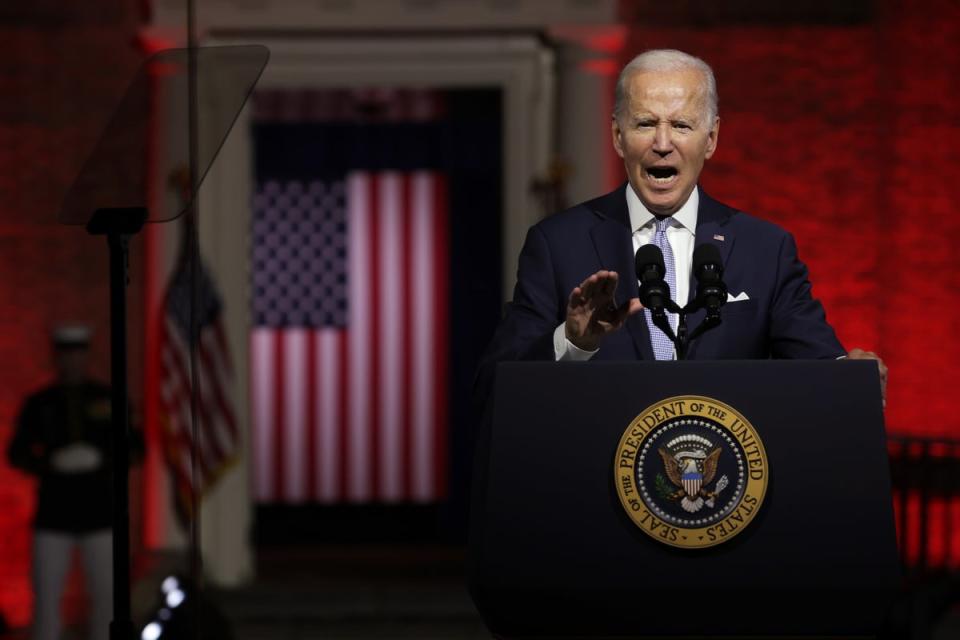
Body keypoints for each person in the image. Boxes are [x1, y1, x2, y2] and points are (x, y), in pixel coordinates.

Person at [479, 49, 886, 391]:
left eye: (681, 125)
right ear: (618, 137)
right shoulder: (557, 243)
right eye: (644, 124)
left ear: (710, 140)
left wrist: (852, 374)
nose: (662, 143)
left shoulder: (766, 249)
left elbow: (820, 364)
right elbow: (497, 381)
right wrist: (572, 342)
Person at [7, 325, 143, 640]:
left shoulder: (108, 399)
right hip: (54, 515)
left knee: (108, 599)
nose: (72, 361)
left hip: (100, 513)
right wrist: (48, 463)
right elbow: (16, 453)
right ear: (58, 358)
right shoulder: (40, 403)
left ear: (86, 356)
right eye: (66, 355)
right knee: (46, 599)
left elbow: (136, 449)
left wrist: (102, 460)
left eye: (78, 354)